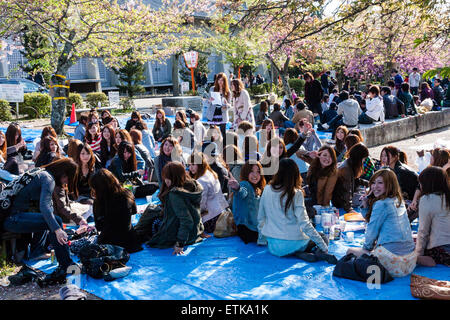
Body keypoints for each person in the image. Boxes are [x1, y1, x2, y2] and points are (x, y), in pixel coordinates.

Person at [3, 158, 79, 284]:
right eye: (68, 179)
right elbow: (44, 207)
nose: (66, 183)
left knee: (51, 220)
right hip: (11, 219)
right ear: (63, 174)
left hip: (9, 215)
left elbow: (45, 208)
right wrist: (58, 230)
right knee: (56, 221)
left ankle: (38, 251)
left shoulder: (40, 172)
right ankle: (66, 265)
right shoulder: (48, 179)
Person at [257, 158, 337, 263]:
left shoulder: (267, 189)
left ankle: (298, 253)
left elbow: (261, 217)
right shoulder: (296, 193)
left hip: (273, 246)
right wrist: (323, 246)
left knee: (296, 243)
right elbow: (304, 224)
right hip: (293, 242)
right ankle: (316, 252)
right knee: (322, 236)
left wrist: (262, 239)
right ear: (295, 174)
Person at [347, 169, 416, 277]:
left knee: (350, 251)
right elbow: (374, 222)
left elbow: (371, 231)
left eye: (380, 183)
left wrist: (366, 249)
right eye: (373, 183)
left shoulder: (381, 204)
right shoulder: (399, 200)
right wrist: (365, 205)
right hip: (410, 262)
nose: (375, 187)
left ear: (390, 185)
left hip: (393, 263)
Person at [146, 161, 204, 255]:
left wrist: (180, 243)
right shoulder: (193, 184)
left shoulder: (175, 194)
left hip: (182, 235)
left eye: (168, 178)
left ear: (175, 177)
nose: (166, 181)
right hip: (196, 231)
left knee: (150, 217)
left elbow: (186, 220)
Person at [89, 168, 142, 253]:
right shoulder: (127, 193)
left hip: (110, 244)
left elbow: (99, 227)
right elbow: (134, 211)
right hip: (131, 242)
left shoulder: (99, 201)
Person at [415, 166, 450, 267]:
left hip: (443, 249)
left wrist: (418, 255)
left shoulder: (428, 199)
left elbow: (423, 231)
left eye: (420, 183)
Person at [188, 152, 230, 234]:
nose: (190, 168)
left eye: (193, 164)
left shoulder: (201, 180)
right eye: (189, 165)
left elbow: (201, 204)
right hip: (221, 212)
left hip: (211, 218)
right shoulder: (210, 173)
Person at [228, 161, 266, 244]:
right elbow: (242, 193)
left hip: (253, 227)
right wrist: (237, 188)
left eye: (258, 172)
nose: (255, 175)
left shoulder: (257, 188)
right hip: (246, 228)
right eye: (252, 171)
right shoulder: (245, 184)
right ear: (246, 172)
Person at [380, 146, 420, 221]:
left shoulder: (400, 171)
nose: (383, 158)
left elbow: (400, 193)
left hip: (415, 201)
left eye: (386, 155)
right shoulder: (392, 168)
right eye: (382, 156)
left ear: (395, 157)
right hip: (408, 198)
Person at [332, 143, 369, 212]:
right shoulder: (346, 168)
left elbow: (356, 180)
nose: (364, 161)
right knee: (368, 200)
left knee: (367, 194)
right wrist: (349, 209)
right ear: (359, 157)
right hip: (340, 200)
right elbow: (347, 190)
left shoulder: (350, 163)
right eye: (364, 158)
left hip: (345, 196)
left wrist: (370, 183)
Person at [206, 72, 232, 139]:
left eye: (222, 80)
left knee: (223, 132)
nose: (220, 82)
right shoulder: (212, 88)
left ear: (225, 81)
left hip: (222, 113)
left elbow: (230, 105)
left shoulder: (227, 91)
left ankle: (224, 146)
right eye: (219, 80)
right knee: (212, 132)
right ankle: (212, 146)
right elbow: (207, 101)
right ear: (217, 80)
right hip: (213, 112)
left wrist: (226, 105)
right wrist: (209, 100)